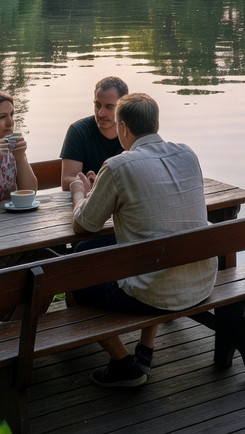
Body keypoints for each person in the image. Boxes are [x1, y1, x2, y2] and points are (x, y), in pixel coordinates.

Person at [68, 93, 217, 388]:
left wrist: (79, 192)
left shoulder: (117, 166)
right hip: (201, 282)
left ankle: (123, 364)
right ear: (155, 124)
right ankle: (145, 349)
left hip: (155, 293)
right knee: (96, 251)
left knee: (74, 275)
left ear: (123, 127)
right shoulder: (187, 154)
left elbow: (83, 224)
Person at [60, 76, 129, 189]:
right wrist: (90, 183)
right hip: (87, 196)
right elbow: (67, 180)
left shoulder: (132, 130)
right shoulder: (78, 131)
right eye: (97, 105)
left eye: (109, 107)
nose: (101, 113)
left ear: (123, 107)